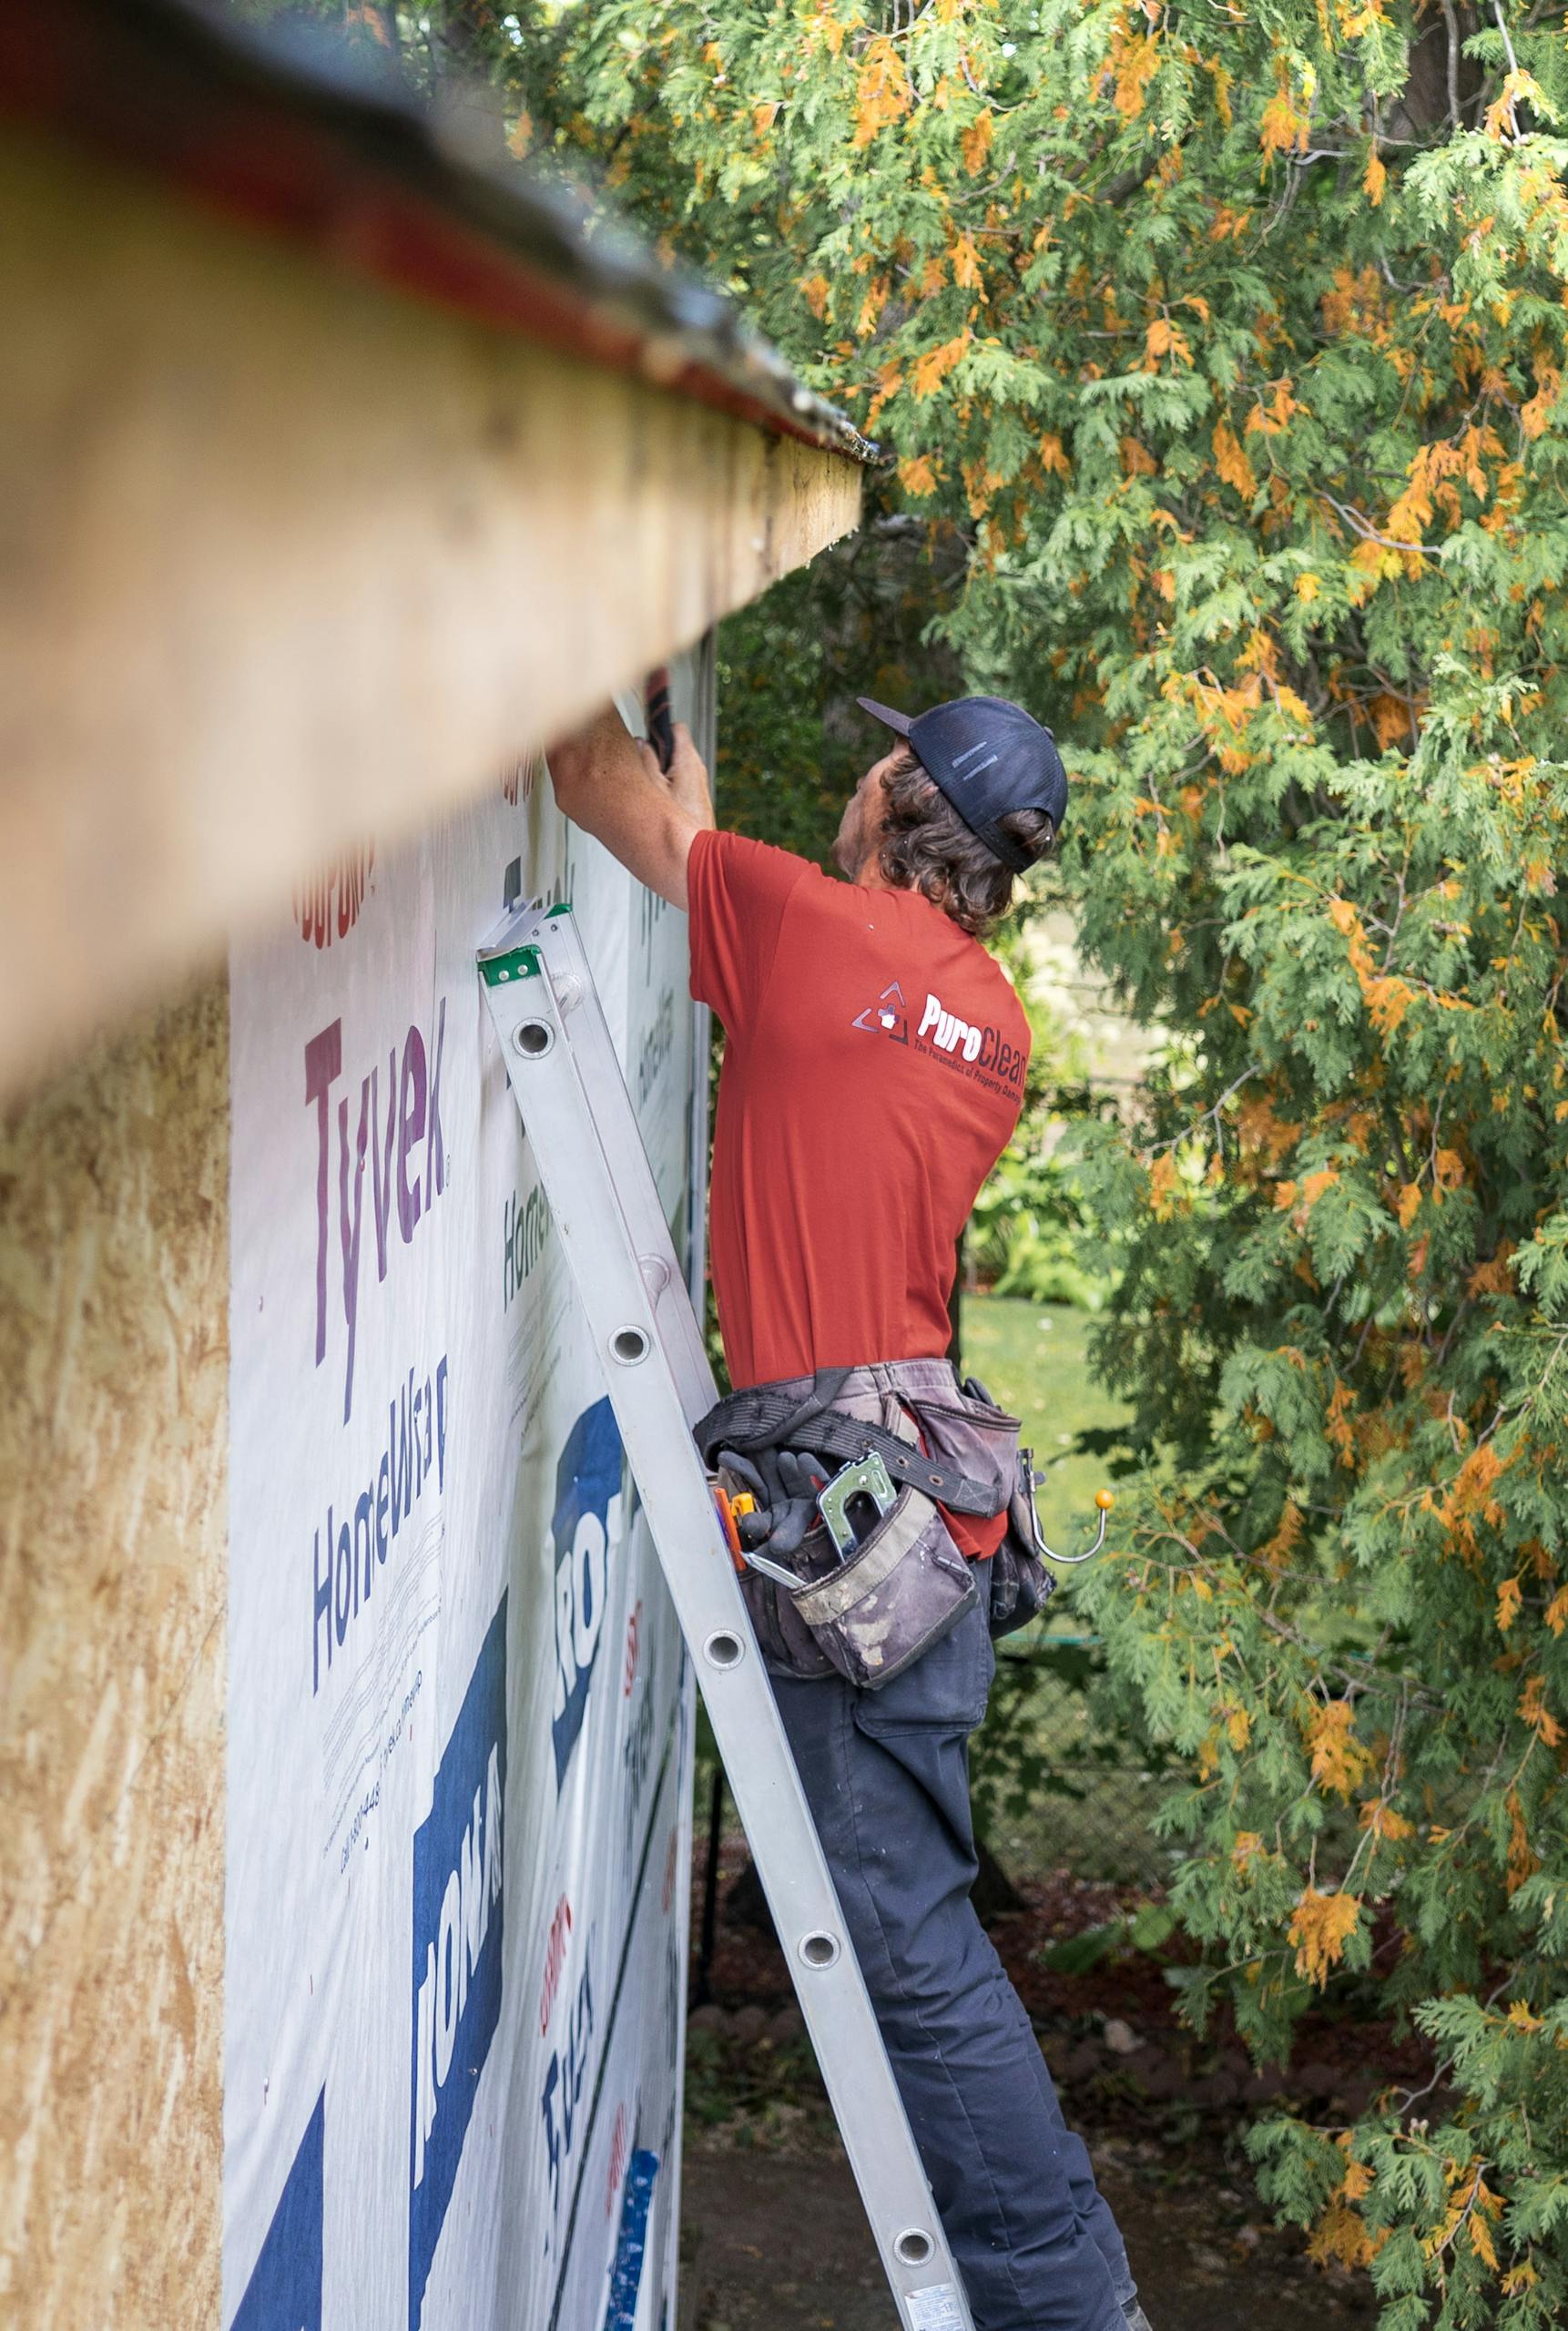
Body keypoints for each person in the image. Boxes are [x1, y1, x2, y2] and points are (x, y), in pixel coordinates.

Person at [546, 691, 1149, 2331]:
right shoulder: (984, 1017)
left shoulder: (805, 929)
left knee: (904, 1941)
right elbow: (700, 848)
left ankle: (1062, 2300)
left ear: (893, 795)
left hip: (837, 1502)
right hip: (919, 1505)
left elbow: (592, 786)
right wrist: (688, 763)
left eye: (877, 762)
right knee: (909, 1927)